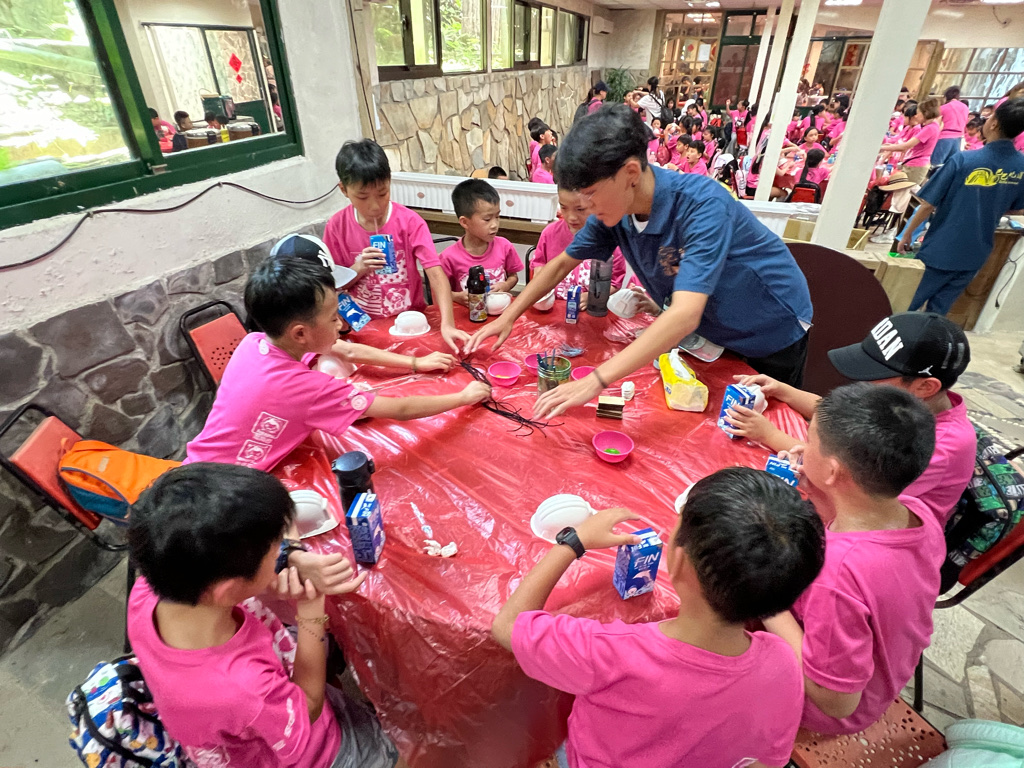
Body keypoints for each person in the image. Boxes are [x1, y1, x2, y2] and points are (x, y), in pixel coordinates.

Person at [466, 105, 814, 417]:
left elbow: (685, 314)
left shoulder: (702, 204)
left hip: (770, 325)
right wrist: (509, 316)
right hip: (713, 331)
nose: (585, 208)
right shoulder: (614, 213)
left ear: (631, 173)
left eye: (590, 195)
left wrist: (596, 381)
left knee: (761, 421)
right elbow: (560, 264)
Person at [491, 468, 826, 768]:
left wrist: (573, 542)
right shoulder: (784, 663)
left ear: (677, 561)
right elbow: (769, 761)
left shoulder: (614, 652)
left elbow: (507, 626)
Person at [127, 463, 403, 768]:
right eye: (275, 555)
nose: (280, 557)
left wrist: (290, 557)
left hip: (264, 702)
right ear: (228, 590)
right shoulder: (242, 689)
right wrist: (311, 609)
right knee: (390, 752)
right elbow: (309, 706)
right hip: (319, 752)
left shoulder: (151, 590)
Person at [184, 255, 490, 472]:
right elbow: (401, 409)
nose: (341, 324)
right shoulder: (307, 389)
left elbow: (349, 351)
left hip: (194, 467)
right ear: (300, 333)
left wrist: (416, 362)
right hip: (225, 495)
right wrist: (463, 397)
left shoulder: (254, 343)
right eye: (333, 319)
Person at [764, 384, 943, 735]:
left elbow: (837, 702)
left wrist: (769, 603)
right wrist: (821, 492)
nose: (802, 446)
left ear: (833, 472)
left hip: (827, 711)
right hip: (883, 678)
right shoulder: (917, 512)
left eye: (809, 440)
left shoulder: (836, 574)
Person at [725, 312, 975, 526]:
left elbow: (841, 474)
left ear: (925, 386)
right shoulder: (906, 403)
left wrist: (768, 434)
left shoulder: (939, 447)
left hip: (870, 528)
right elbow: (838, 411)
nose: (863, 381)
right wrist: (783, 390)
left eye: (875, 375)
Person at [322, 140, 467, 351]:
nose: (374, 206)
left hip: (410, 324)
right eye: (362, 197)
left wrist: (447, 324)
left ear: (390, 182)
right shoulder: (336, 227)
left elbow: (436, 274)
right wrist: (359, 268)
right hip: (362, 330)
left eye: (382, 193)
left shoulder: (410, 222)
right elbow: (330, 286)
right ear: (344, 189)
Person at [901, 98, 1024, 315]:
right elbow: (1018, 208)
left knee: (906, 305)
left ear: (994, 123)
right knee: (936, 314)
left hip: (941, 248)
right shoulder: (1020, 167)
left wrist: (907, 234)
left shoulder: (964, 160)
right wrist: (991, 203)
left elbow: (928, 204)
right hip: (975, 253)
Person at [532, 189, 636, 306]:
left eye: (580, 209)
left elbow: (615, 283)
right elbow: (539, 265)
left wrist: (591, 297)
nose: (571, 217)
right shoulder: (550, 233)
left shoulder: (609, 239)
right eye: (564, 208)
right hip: (554, 305)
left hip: (591, 308)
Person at [440, 179, 523, 305]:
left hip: (500, 312)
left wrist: (506, 285)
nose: (494, 225)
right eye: (487, 219)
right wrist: (456, 297)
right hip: (467, 314)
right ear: (465, 222)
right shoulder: (448, 257)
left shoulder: (504, 246)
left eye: (497, 217)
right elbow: (439, 292)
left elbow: (513, 276)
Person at [881, 97, 941, 187]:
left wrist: (882, 148)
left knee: (903, 192)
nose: (916, 116)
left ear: (925, 114)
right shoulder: (932, 125)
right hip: (913, 163)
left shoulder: (929, 128)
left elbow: (905, 146)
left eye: (918, 113)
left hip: (916, 166)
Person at [933, 86, 970, 166]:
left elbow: (936, 124)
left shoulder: (943, 108)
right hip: (959, 138)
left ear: (946, 96)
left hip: (944, 138)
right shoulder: (965, 108)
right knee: (950, 165)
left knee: (935, 165)